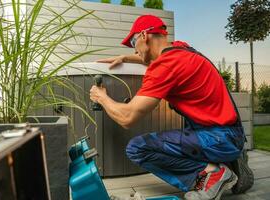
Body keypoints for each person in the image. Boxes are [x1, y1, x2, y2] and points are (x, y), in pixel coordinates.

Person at [89, 15, 253, 200]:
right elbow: (149, 57)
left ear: (144, 35)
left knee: (137, 148)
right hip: (231, 133)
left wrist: (101, 97)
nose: (134, 49)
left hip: (217, 137)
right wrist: (125, 58)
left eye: (134, 42)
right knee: (187, 132)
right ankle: (229, 160)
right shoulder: (181, 48)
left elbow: (127, 118)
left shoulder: (165, 67)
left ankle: (212, 176)